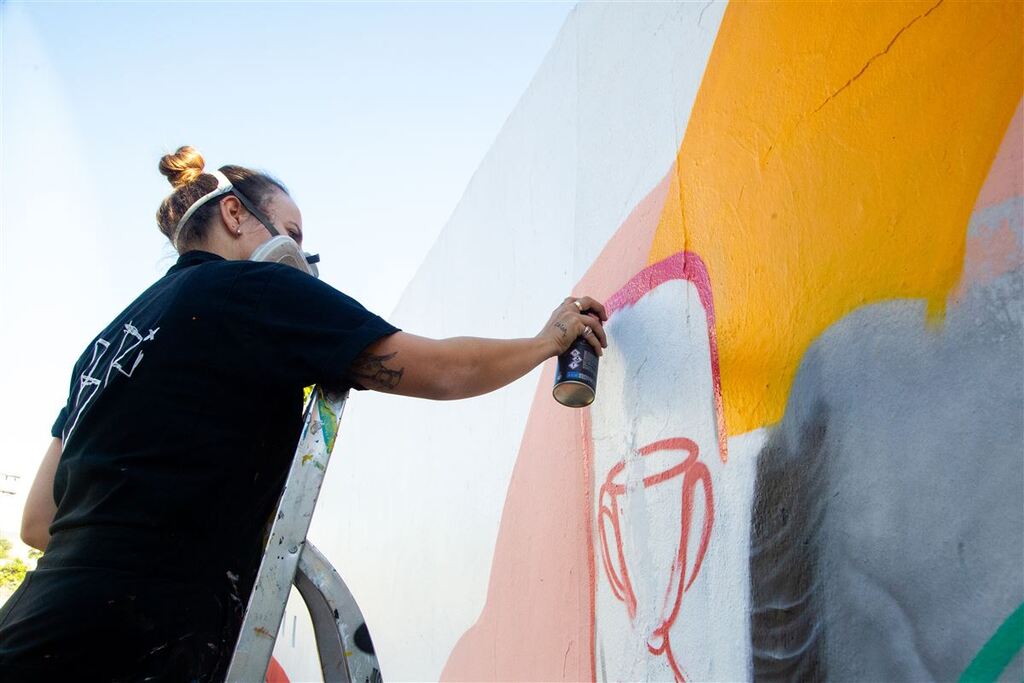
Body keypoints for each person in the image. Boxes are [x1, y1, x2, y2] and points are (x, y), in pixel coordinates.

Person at [0, 146, 607, 682]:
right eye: (289, 231)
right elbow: (441, 369)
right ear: (236, 215)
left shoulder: (105, 345)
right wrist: (544, 343)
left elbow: (37, 521)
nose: (301, 255)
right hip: (145, 636)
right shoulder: (253, 291)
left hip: (33, 623)